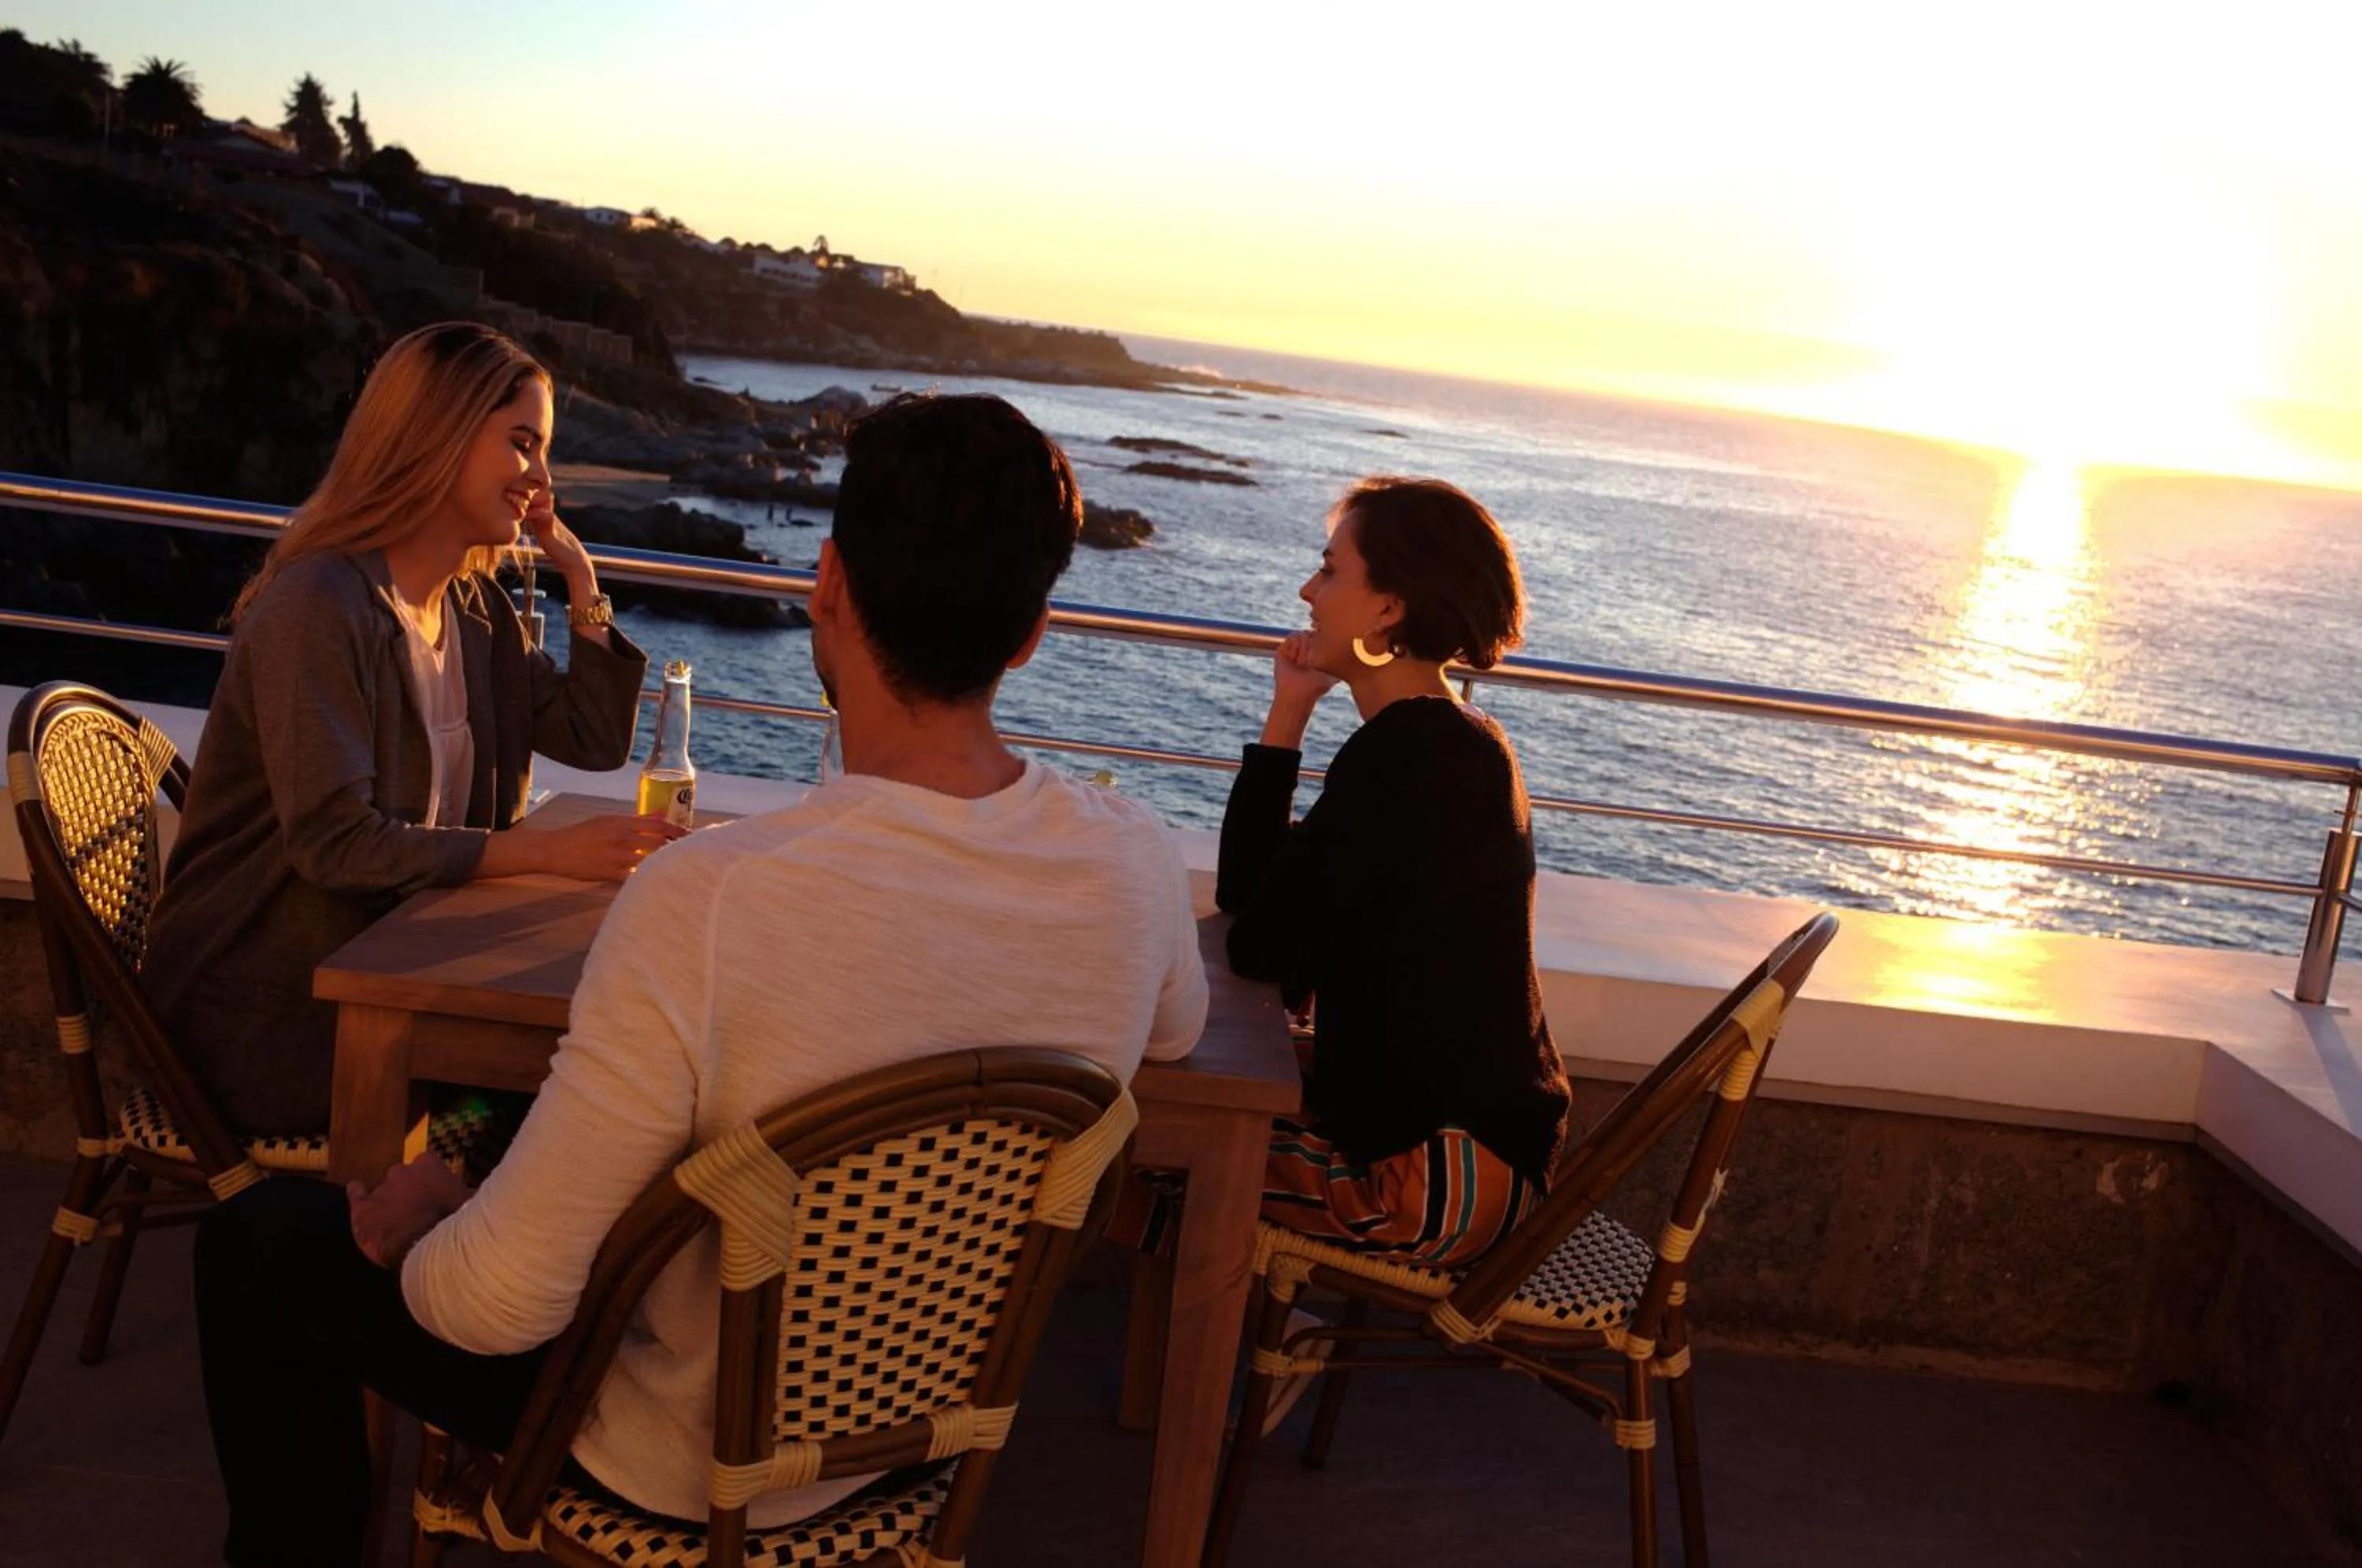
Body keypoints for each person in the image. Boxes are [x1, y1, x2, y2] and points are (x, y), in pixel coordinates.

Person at [193, 393, 1210, 1566]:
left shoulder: (714, 898)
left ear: (825, 584)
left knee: (266, 1242)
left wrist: (406, 1231)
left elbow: (499, 1309)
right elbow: (1172, 1036)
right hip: (924, 1445)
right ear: (1031, 635)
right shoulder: (1133, 862)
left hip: (681, 1468)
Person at [142, 322, 679, 1137]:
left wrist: (581, 577)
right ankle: (419, 1247)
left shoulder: (474, 611)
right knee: (582, 1099)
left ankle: (449, 1250)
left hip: (389, 985)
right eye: (523, 444)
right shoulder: (320, 606)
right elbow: (337, 843)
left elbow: (593, 739)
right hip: (266, 1012)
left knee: (604, 1087)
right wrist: (542, 852)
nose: (541, 477)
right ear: (440, 436)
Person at [1216, 476, 1571, 1267]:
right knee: (1176, 1118)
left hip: (1424, 1188)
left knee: (1136, 1140)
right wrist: (1290, 711)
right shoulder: (1453, 740)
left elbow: (1260, 948)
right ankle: (1264, 1331)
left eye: (1331, 570)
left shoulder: (1413, 757)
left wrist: (1288, 724)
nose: (1308, 589)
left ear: (1389, 607)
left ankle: (1196, 1366)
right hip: (1469, 1164)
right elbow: (1253, 901)